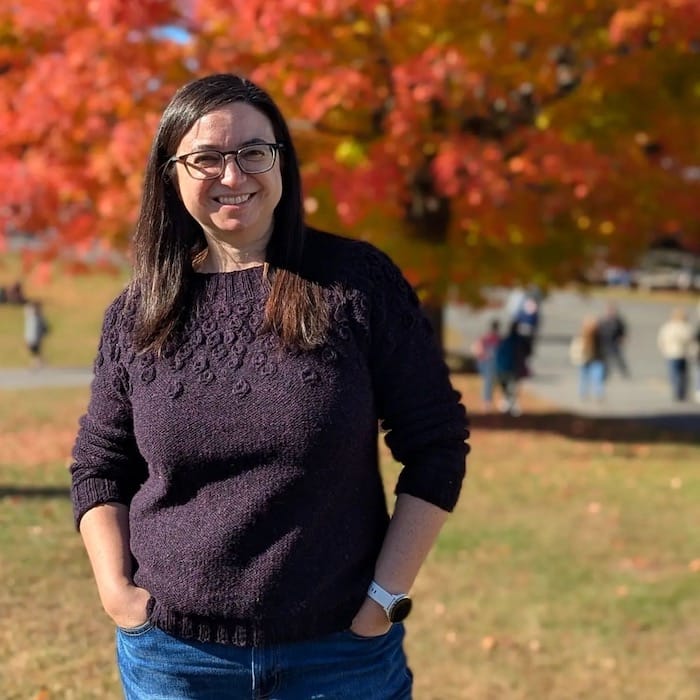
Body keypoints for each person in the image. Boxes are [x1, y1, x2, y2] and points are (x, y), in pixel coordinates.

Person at [69, 73, 469, 699]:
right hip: (177, 661)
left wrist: (384, 599)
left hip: (341, 655)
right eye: (206, 157)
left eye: (254, 152)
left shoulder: (355, 284)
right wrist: (118, 595)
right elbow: (99, 466)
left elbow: (436, 444)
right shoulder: (138, 313)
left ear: (282, 161)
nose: (234, 175)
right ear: (170, 174)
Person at [657, 307, 693, 401]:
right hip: (675, 353)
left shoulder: (680, 326)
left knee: (679, 374)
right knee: (678, 374)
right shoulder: (674, 326)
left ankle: (680, 392)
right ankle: (679, 392)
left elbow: (690, 339)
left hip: (680, 353)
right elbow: (662, 339)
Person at [494, 320, 525, 416]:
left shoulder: (506, 341)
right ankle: (510, 406)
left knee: (509, 388)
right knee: (511, 388)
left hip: (504, 368)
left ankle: (509, 406)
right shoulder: (517, 341)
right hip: (511, 368)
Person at [574, 315, 606, 402]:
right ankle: (586, 394)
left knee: (594, 378)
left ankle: (596, 394)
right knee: (588, 377)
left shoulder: (598, 335)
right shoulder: (584, 335)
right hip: (587, 359)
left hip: (595, 359)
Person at [471, 319, 501, 410]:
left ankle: (490, 401)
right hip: (486, 363)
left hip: (493, 364)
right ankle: (487, 402)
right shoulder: (486, 338)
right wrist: (485, 355)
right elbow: (476, 349)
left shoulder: (498, 339)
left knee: (491, 382)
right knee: (488, 381)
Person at [597, 301, 629, 378]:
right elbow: (598, 330)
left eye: (612, 310)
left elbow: (623, 330)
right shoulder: (603, 320)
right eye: (609, 310)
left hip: (614, 342)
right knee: (604, 360)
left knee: (618, 359)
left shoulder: (618, 321)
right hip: (604, 342)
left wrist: (623, 338)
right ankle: (605, 373)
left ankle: (624, 373)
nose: (611, 312)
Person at [23, 300, 49, 369]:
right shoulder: (31, 318)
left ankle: (37, 363)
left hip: (36, 337)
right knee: (35, 351)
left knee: (35, 351)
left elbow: (44, 327)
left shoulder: (38, 318)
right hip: (31, 337)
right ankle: (40, 362)